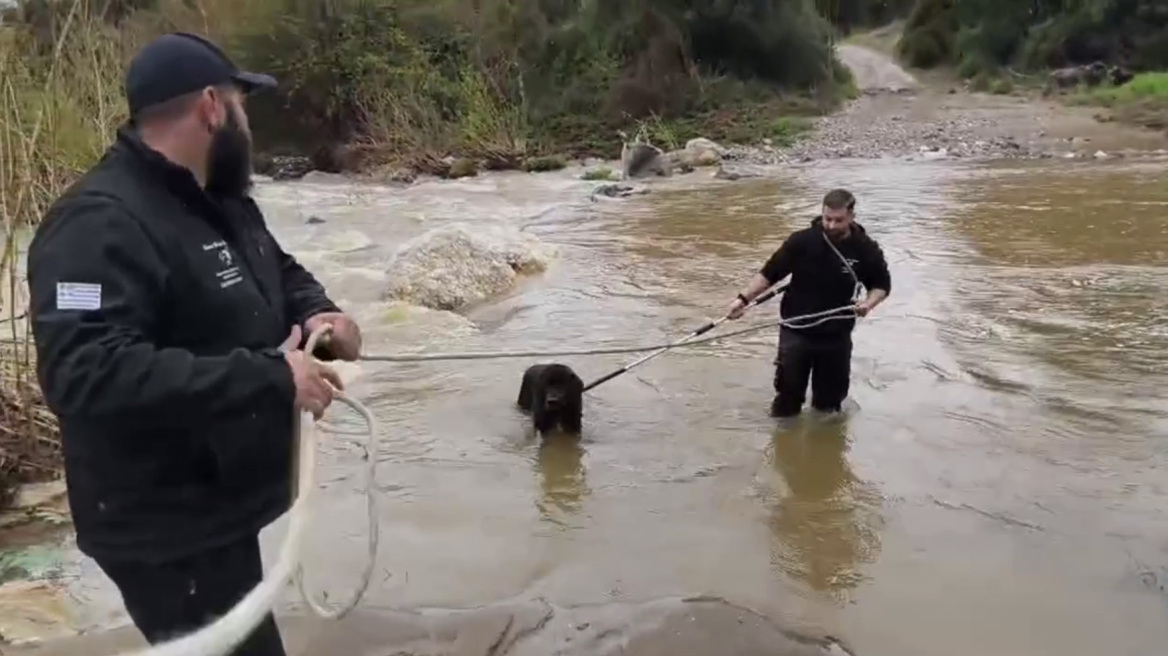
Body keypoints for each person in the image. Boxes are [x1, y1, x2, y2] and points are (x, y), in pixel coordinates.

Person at [26, 32, 362, 656]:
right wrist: (272, 377)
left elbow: (278, 270)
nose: (248, 123)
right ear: (212, 105)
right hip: (163, 528)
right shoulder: (97, 223)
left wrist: (322, 314)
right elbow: (85, 371)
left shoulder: (220, 198)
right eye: (241, 104)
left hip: (216, 504)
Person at [726, 189, 891, 418]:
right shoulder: (802, 241)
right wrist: (742, 300)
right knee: (786, 401)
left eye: (838, 220)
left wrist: (868, 304)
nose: (832, 225)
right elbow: (770, 273)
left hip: (836, 336)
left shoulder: (865, 249)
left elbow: (882, 285)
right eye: (827, 219)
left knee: (829, 408)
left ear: (852, 216)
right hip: (796, 331)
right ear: (822, 214)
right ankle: (782, 447)